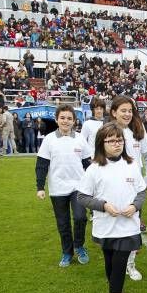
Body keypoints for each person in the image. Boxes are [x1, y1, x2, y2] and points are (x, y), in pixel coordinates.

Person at [77, 122, 146, 293]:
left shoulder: (132, 164)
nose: (117, 144)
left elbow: (141, 191)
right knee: (109, 261)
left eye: (119, 140)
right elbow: (82, 197)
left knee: (119, 262)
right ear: (101, 143)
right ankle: (116, 290)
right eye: (111, 141)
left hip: (128, 225)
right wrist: (104, 205)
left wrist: (135, 206)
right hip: (106, 225)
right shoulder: (94, 169)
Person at [35, 105, 92, 267]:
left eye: (69, 118)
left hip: (78, 187)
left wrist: (94, 184)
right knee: (63, 223)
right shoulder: (49, 140)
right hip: (57, 188)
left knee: (80, 217)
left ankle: (79, 246)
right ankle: (67, 252)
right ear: (56, 119)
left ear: (74, 121)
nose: (66, 121)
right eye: (62, 118)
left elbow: (88, 164)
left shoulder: (80, 138)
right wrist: (40, 187)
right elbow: (41, 165)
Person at [109, 96, 147, 281]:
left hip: (135, 190)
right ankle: (113, 263)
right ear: (114, 112)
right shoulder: (107, 131)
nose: (127, 114)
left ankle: (130, 264)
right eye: (123, 110)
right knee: (114, 225)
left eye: (130, 110)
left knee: (133, 226)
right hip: (112, 188)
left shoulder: (138, 129)